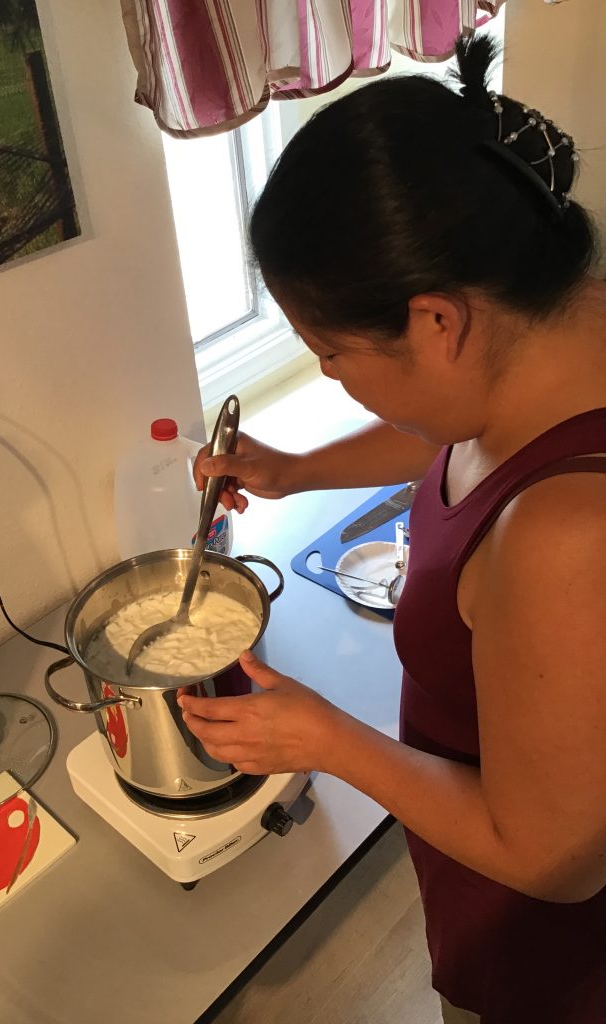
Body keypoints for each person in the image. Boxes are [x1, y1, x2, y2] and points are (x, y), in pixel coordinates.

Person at [178, 35, 606, 1024]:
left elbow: (552, 858)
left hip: (546, 962)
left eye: (331, 353)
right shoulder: (559, 331)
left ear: (437, 323)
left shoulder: (565, 536)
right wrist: (292, 471)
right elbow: (456, 436)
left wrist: (326, 737)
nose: (330, 375)